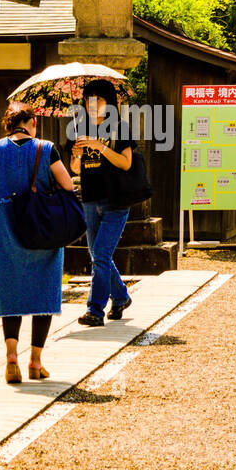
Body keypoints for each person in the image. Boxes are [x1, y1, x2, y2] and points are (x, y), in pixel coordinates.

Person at [0, 102, 75, 383]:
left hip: (7, 235)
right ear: (32, 122)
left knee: (11, 296)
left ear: (9, 125)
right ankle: (35, 361)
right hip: (43, 232)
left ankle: (11, 358)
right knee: (43, 294)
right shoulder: (46, 148)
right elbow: (68, 185)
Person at [70, 79, 135, 327]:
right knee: (99, 255)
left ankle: (95, 309)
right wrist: (76, 155)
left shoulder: (120, 127)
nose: (92, 105)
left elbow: (126, 163)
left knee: (100, 255)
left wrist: (101, 147)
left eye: (97, 100)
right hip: (90, 199)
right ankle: (120, 296)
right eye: (88, 100)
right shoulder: (79, 128)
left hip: (117, 201)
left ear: (109, 103)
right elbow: (75, 168)